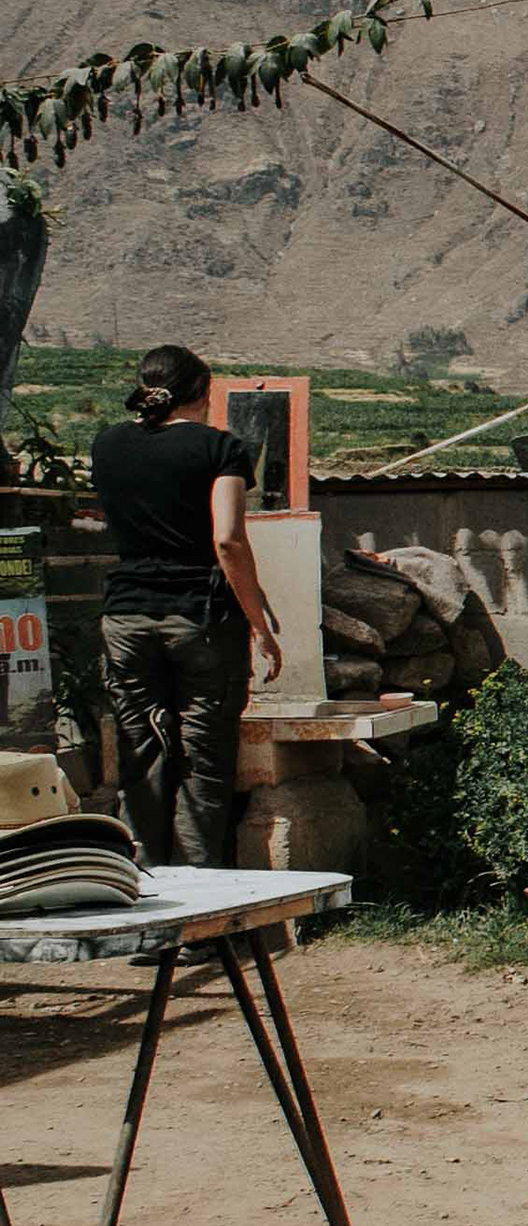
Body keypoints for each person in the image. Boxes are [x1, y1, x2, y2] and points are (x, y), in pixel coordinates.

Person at [91, 345, 283, 866]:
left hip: (125, 617)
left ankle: (141, 890)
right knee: (204, 765)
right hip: (199, 618)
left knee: (140, 760)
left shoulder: (107, 445)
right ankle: (202, 900)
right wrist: (260, 625)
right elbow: (227, 541)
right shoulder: (221, 448)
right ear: (203, 392)